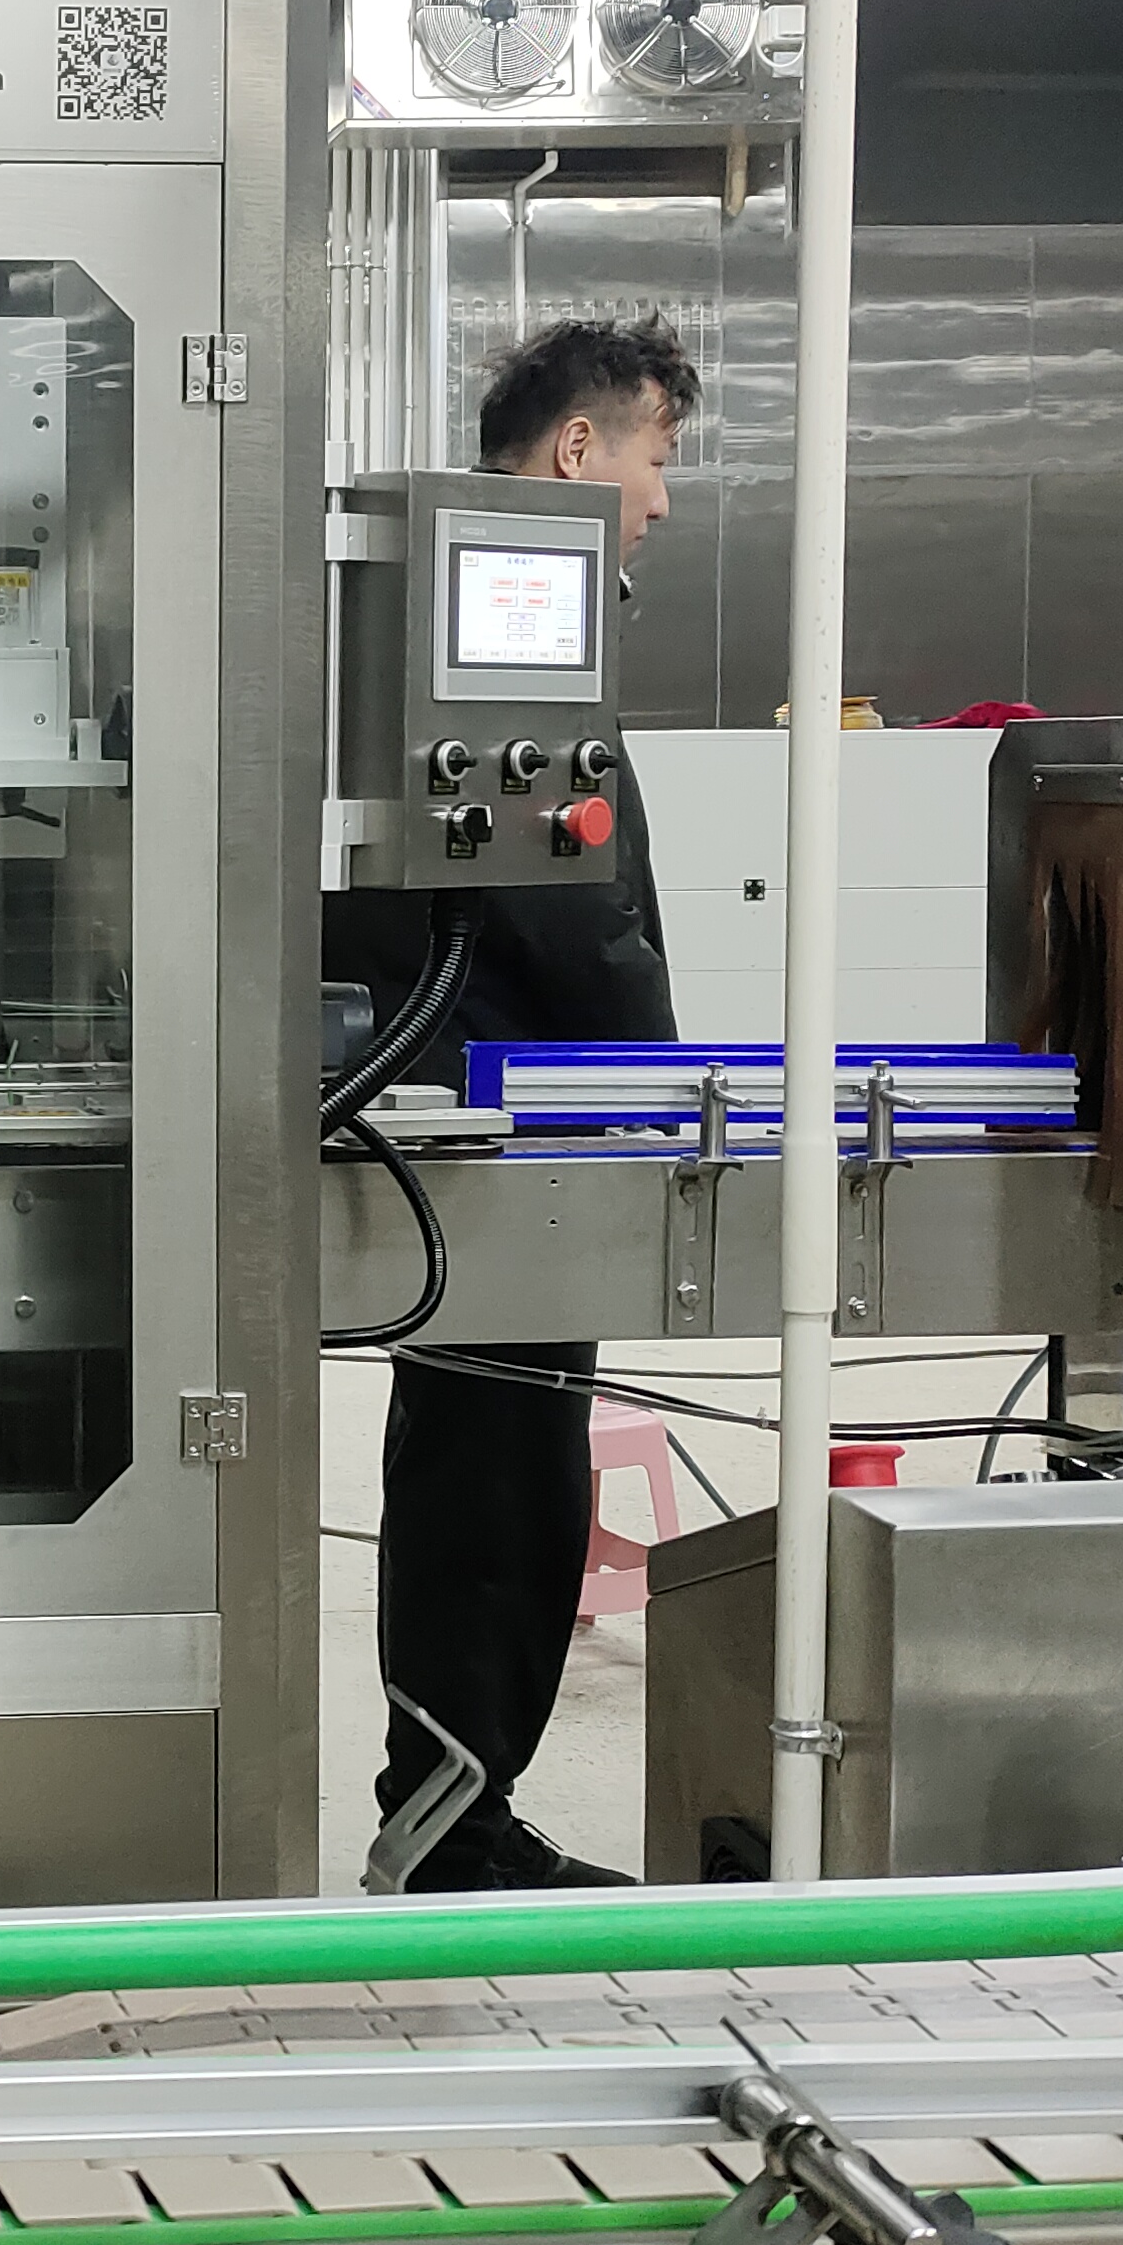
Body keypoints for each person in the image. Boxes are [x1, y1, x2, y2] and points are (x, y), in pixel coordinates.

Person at [324, 315, 692, 1891]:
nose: (661, 499)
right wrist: (665, 1086)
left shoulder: (420, 599)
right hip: (502, 1121)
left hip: (457, 1103)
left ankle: (450, 1811)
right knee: (497, 1485)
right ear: (577, 448)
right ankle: (450, 1832)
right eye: (657, 458)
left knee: (487, 1467)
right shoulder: (516, 598)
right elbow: (565, 895)